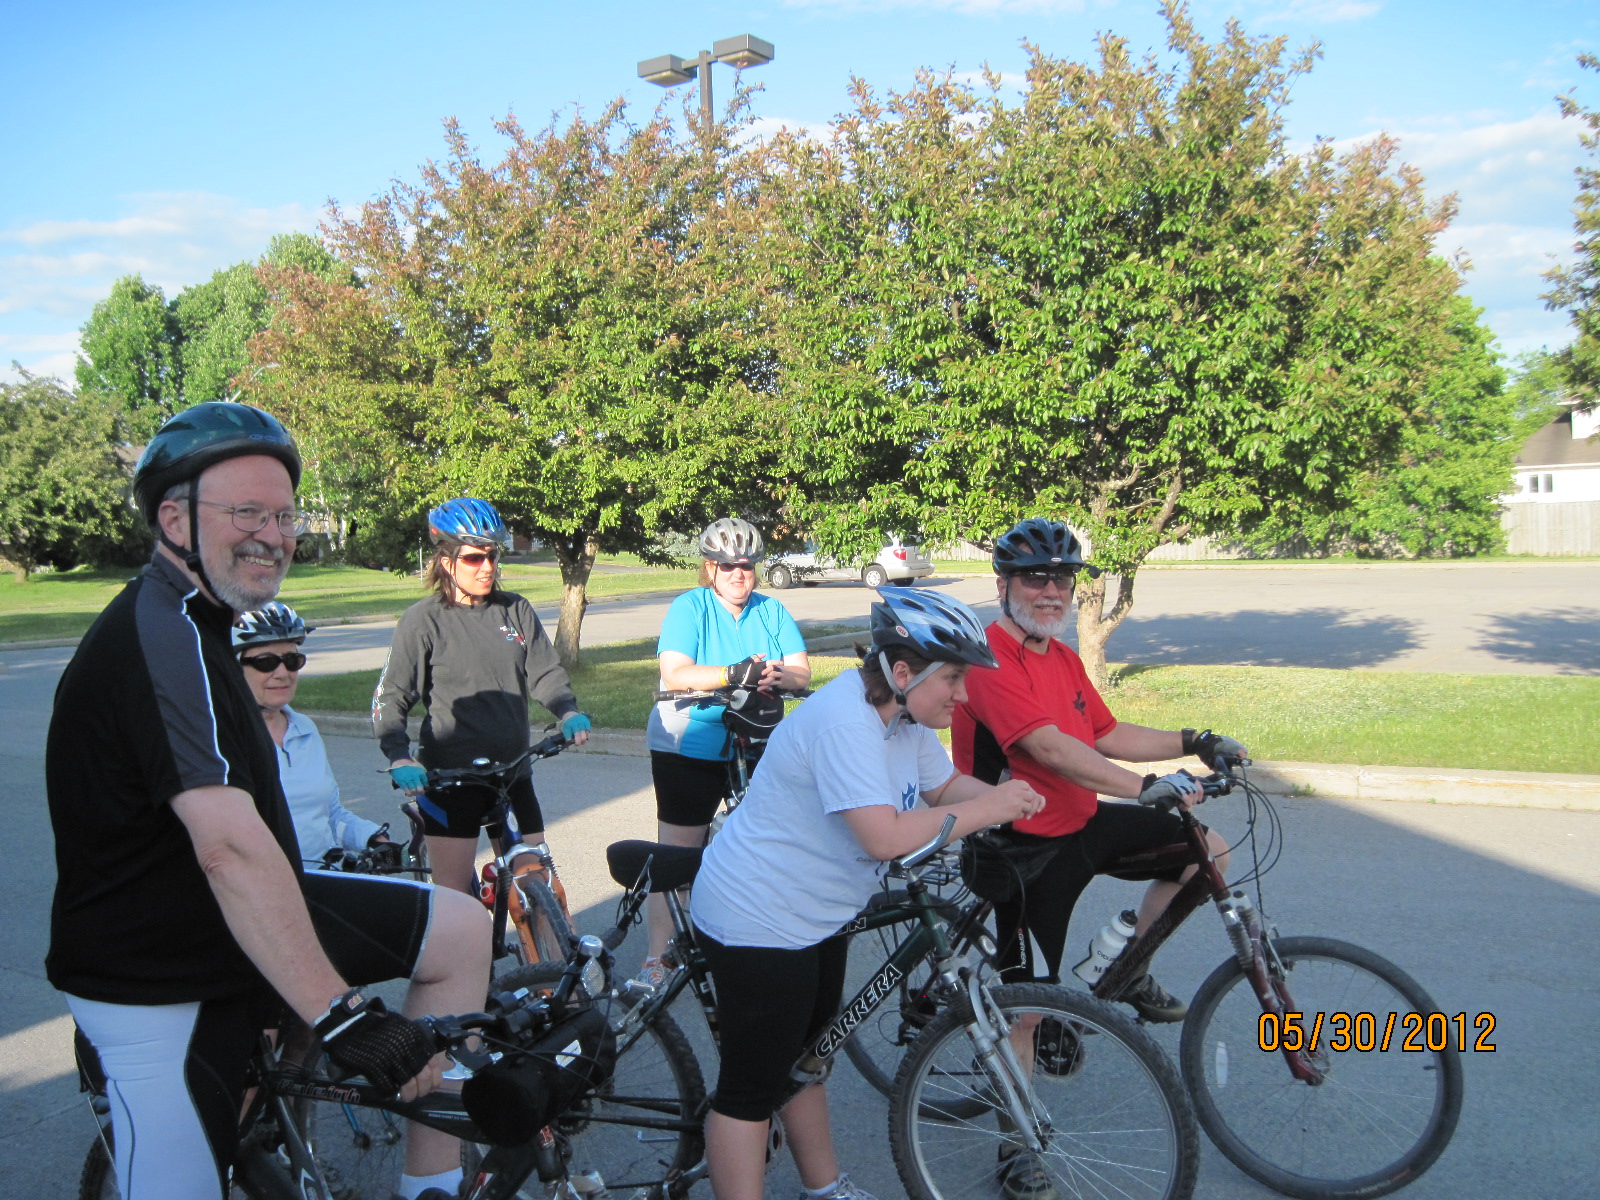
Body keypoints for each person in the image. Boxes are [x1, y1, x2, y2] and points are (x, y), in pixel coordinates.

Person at [45, 401, 491, 1200]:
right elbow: (227, 846)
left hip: (221, 923)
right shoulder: (164, 637)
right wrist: (344, 1015)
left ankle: (432, 1187)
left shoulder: (208, 624)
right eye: (246, 511)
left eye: (283, 514)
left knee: (459, 928)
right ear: (173, 517)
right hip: (160, 976)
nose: (273, 533)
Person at [689, 587, 1046, 1200]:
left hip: (816, 916)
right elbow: (884, 837)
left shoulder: (902, 720)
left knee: (808, 1058)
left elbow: (941, 791)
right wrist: (988, 808)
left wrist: (1007, 799)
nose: (963, 695)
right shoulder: (844, 722)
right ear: (902, 672)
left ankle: (824, 1188)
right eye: (954, 679)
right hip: (758, 918)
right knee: (750, 1090)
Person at [952, 518, 1246, 1022]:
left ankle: (1128, 967)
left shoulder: (1062, 657)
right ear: (1002, 585)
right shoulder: (987, 661)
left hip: (1082, 825)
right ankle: (1009, 1093)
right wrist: (1145, 788)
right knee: (1029, 1014)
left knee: (1209, 855)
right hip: (1023, 852)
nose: (1051, 592)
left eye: (1062, 579)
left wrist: (1194, 740)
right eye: (1034, 578)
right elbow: (1052, 751)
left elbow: (1105, 735)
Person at [374, 498, 591, 898]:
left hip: (512, 773)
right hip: (450, 779)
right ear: (445, 561)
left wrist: (567, 710)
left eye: (493, 556)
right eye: (474, 558)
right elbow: (391, 698)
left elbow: (544, 672)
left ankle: (547, 954)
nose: (487, 567)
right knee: (456, 900)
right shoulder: (422, 621)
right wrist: (399, 754)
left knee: (537, 883)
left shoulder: (515, 610)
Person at [639, 517, 811, 987]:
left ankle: (747, 939)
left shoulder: (771, 611)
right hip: (689, 740)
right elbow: (676, 673)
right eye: (729, 566)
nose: (740, 574)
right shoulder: (689, 608)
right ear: (710, 569)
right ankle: (657, 956)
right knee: (677, 852)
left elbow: (802, 674)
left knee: (761, 848)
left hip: (754, 740)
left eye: (748, 566)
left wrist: (780, 678)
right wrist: (732, 674)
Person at [234, 601, 400, 870]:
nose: (283, 673)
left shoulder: (304, 729)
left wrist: (372, 838)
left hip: (324, 880)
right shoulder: (222, 740)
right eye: (266, 662)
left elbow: (330, 814)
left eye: (292, 660)